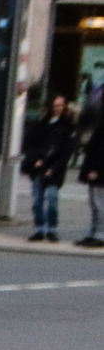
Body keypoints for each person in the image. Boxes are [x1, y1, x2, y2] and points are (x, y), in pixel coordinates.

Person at [21, 92, 79, 243]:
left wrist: (53, 167)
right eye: (55, 105)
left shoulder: (68, 127)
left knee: (52, 198)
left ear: (64, 107)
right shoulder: (41, 125)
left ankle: (52, 229)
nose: (57, 108)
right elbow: (29, 144)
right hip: (38, 167)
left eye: (60, 105)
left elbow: (66, 152)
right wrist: (35, 160)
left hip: (55, 169)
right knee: (37, 200)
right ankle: (39, 229)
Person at [78, 103, 104, 248]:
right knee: (94, 203)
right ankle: (93, 233)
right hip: (95, 169)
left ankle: (99, 234)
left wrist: (96, 169)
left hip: (99, 171)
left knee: (99, 204)